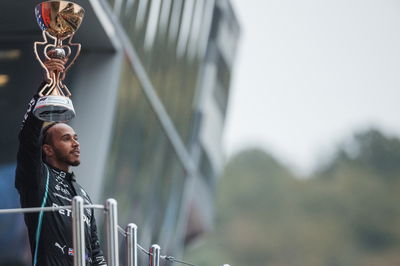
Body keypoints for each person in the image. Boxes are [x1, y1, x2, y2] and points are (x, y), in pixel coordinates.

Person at [15, 58, 107, 266]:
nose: (75, 143)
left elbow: (96, 253)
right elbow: (27, 138)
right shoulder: (37, 178)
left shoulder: (83, 194)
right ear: (47, 149)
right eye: (66, 139)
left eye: (76, 138)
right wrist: (46, 87)